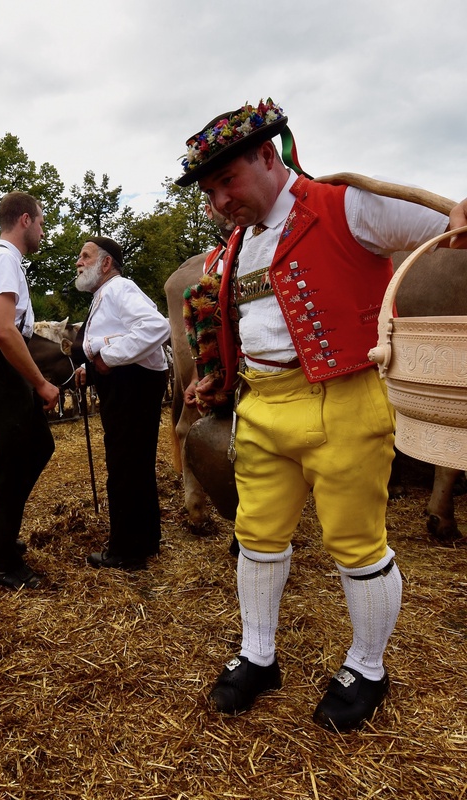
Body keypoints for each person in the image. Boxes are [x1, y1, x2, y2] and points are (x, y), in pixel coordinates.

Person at [175, 98, 452, 732]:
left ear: (267, 155)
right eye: (209, 191)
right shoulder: (237, 245)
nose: (219, 201)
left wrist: (458, 212)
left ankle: (368, 668)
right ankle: (258, 655)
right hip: (262, 405)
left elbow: (441, 223)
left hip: (345, 400)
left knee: (356, 544)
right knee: (256, 537)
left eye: (227, 181)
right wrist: (217, 376)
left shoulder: (347, 205)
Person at [0, 191, 60, 590]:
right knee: (17, 456)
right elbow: (4, 330)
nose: (43, 230)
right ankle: (2, 562)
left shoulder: (3, 260)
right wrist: (40, 382)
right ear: (25, 220)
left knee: (36, 447)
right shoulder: (4, 259)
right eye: (41, 222)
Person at [74, 236, 170, 570]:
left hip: (133, 385)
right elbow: (113, 337)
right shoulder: (106, 293)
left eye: (85, 256)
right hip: (129, 383)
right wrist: (91, 366)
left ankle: (127, 551)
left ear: (106, 263)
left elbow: (156, 326)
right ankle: (145, 540)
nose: (78, 262)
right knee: (134, 463)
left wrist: (109, 357)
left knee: (125, 465)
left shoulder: (119, 288)